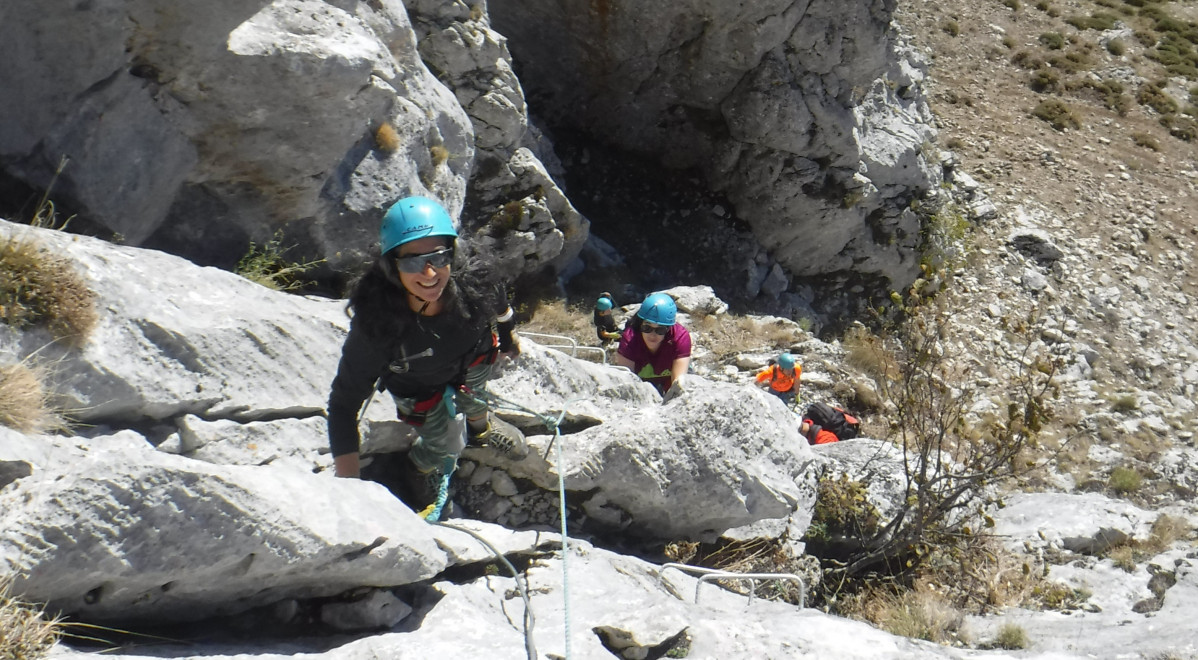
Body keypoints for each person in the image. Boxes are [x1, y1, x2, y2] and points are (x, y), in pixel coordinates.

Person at [326, 196, 528, 511]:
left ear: (453, 253)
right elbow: (343, 406)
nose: (431, 274)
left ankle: (482, 428)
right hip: (420, 387)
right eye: (412, 261)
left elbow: (501, 308)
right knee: (444, 444)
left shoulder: (478, 277)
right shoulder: (377, 324)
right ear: (392, 266)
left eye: (439, 256)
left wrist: (508, 337)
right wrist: (350, 489)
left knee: (476, 398)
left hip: (471, 361)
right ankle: (419, 466)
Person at [614, 292, 692, 397]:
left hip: (668, 385)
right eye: (647, 328)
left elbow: (678, 385)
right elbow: (627, 386)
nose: (652, 335)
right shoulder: (630, 339)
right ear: (640, 324)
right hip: (640, 389)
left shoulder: (680, 338)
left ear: (668, 329)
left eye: (660, 330)